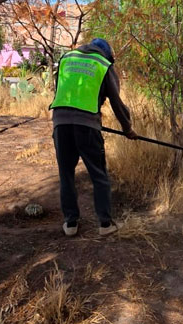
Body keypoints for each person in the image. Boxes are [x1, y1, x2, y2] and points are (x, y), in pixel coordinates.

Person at [49, 38, 135, 236]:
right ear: (108, 54)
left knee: (66, 174)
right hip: (87, 127)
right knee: (98, 175)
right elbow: (116, 102)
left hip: (60, 124)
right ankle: (105, 224)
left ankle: (70, 223)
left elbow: (63, 91)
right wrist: (128, 129)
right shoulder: (103, 64)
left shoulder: (66, 58)